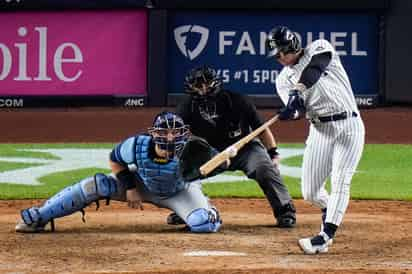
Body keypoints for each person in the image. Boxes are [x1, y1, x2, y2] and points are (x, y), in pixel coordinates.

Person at [15, 111, 222, 233]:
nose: (170, 137)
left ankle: (207, 212)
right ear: (154, 134)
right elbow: (115, 160)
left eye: (175, 132)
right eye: (164, 132)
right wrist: (130, 188)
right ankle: (39, 217)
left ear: (182, 133)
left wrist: (223, 161)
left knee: (202, 224)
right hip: (143, 185)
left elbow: (216, 164)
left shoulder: (195, 148)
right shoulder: (135, 146)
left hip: (180, 192)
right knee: (94, 185)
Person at [266, 26, 365, 254]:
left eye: (281, 52)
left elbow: (315, 69)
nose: (279, 58)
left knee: (341, 180)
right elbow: (298, 111)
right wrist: (291, 111)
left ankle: (324, 236)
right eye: (276, 55)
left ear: (291, 46)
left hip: (349, 126)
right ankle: (332, 210)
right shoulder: (283, 80)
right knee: (310, 192)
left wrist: (298, 90)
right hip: (320, 130)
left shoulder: (319, 47)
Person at [170, 65, 296, 228]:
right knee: (184, 171)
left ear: (215, 83)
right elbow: (176, 134)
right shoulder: (187, 106)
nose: (202, 89)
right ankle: (188, 209)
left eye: (205, 84)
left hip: (244, 148)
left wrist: (273, 153)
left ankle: (285, 211)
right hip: (210, 152)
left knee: (264, 168)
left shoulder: (237, 100)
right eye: (197, 85)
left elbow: (261, 129)